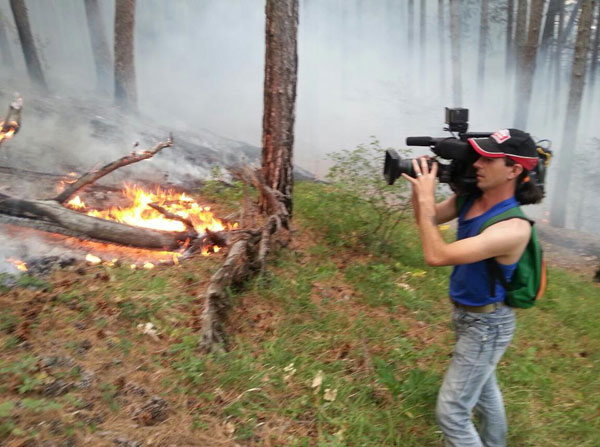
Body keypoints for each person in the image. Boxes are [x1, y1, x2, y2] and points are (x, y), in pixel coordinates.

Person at [402, 129, 543, 447]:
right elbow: (427, 220)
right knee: (483, 389)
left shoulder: (513, 228)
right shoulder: (470, 199)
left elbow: (436, 255)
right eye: (478, 155)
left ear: (514, 170)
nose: (477, 163)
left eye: (488, 158)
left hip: (487, 325)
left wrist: (426, 199)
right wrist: (418, 189)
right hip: (468, 316)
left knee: (451, 413)